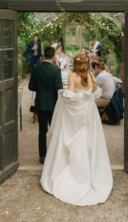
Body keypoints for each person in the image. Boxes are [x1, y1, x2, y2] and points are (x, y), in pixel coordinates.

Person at [40, 54, 113, 206]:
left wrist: (63, 95)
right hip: (89, 111)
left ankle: (73, 172)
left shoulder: (73, 76)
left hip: (77, 111)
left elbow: (71, 95)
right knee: (89, 139)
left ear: (75, 64)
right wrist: (86, 93)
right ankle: (90, 171)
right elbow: (94, 91)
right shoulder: (91, 75)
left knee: (71, 136)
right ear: (87, 64)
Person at [28, 46, 63, 164]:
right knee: (54, 131)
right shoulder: (56, 70)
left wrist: (41, 88)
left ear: (44, 55)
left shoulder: (36, 69)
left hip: (41, 104)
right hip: (54, 105)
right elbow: (59, 89)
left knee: (42, 131)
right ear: (53, 56)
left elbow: (31, 87)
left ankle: (42, 156)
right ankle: (54, 155)